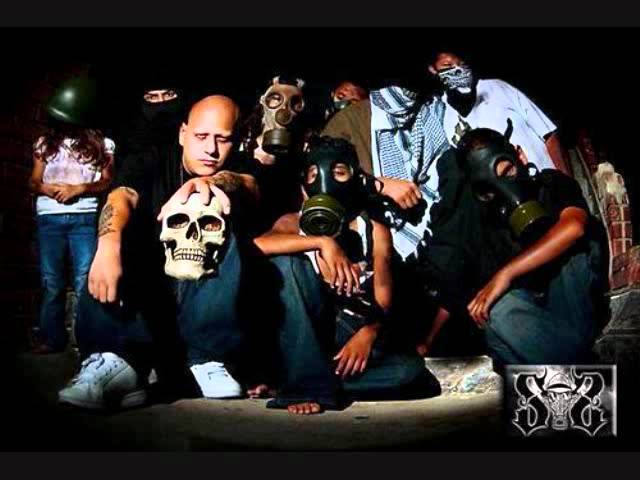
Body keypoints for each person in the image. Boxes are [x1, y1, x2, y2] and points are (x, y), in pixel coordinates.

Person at [57, 95, 260, 409]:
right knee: (116, 231)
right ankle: (115, 360)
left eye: (223, 139)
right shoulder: (149, 160)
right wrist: (108, 246)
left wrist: (211, 184)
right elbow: (120, 197)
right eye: (201, 136)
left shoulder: (240, 168)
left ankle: (207, 359)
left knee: (211, 214)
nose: (211, 149)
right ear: (183, 133)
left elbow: (247, 184)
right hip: (147, 297)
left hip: (200, 305)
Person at [253, 137, 440, 414]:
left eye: (338, 172)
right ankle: (304, 384)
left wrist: (368, 333)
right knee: (287, 263)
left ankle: (304, 381)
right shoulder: (293, 223)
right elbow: (258, 245)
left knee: (410, 373)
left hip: (347, 333)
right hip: (303, 332)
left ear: (356, 178)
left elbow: (383, 296)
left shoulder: (373, 230)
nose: (325, 182)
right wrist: (322, 243)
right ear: (304, 185)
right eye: (314, 174)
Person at [418, 128, 607, 371]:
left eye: (508, 171)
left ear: (520, 155)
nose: (504, 186)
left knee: (571, 255)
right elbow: (455, 288)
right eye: (489, 187)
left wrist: (505, 274)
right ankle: (580, 370)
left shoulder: (551, 184)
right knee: (496, 313)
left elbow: (574, 228)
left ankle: (574, 369)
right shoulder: (488, 224)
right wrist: (427, 341)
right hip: (540, 319)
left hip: (574, 296)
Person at [28, 75, 115, 354]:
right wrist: (45, 187)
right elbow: (33, 181)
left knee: (83, 279)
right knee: (51, 280)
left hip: (84, 217)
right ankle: (51, 338)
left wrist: (80, 188)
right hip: (49, 218)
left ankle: (84, 340)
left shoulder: (103, 144)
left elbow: (107, 181)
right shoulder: (44, 143)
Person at [428, 50, 571, 175]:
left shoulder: (496, 88)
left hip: (549, 181)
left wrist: (567, 184)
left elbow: (548, 134)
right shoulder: (443, 116)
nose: (458, 69)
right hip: (512, 193)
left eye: (461, 64)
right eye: (447, 66)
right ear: (433, 70)